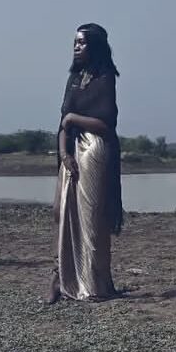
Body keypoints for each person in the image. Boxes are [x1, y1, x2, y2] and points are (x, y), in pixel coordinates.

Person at [46, 23, 124, 303]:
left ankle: (94, 283)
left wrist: (73, 120)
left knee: (91, 216)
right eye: (75, 42)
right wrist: (64, 154)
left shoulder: (105, 78)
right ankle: (60, 278)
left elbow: (106, 124)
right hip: (70, 150)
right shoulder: (74, 78)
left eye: (82, 43)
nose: (76, 47)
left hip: (93, 149)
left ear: (95, 46)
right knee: (63, 211)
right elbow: (63, 122)